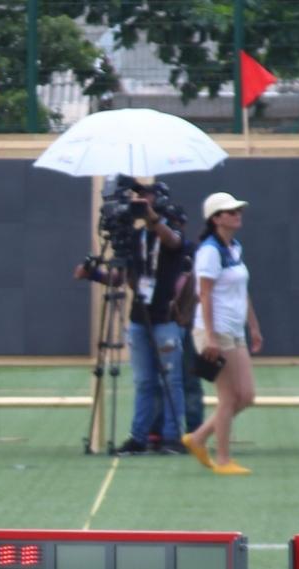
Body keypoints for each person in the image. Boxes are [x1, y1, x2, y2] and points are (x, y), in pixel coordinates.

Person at [74, 178, 188, 455]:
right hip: (140, 318)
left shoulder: (170, 230)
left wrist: (152, 219)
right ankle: (139, 437)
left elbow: (173, 242)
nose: (141, 202)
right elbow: (122, 277)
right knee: (143, 381)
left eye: (146, 197)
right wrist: (94, 275)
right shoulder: (137, 238)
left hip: (166, 319)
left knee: (171, 380)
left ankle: (173, 438)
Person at [181, 192, 262, 476]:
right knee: (229, 397)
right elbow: (204, 294)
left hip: (234, 329)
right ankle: (224, 460)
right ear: (216, 219)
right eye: (230, 211)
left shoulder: (234, 247)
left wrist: (253, 325)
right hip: (216, 330)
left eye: (238, 210)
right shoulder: (210, 251)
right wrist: (211, 337)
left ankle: (199, 437)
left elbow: (242, 290)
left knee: (247, 396)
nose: (237, 214)